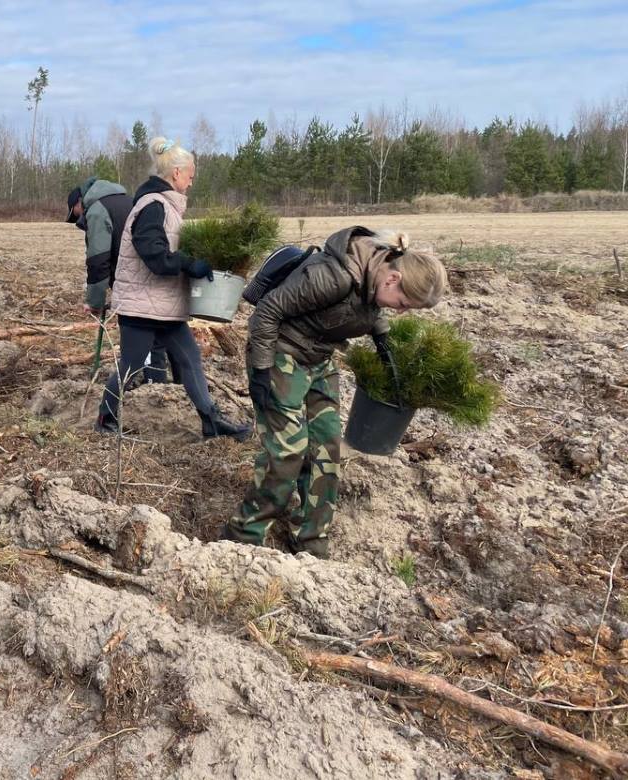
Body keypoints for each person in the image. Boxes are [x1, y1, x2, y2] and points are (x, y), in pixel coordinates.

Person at [220, 227, 448, 559]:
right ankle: (241, 539)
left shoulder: (376, 272)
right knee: (287, 452)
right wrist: (262, 368)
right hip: (281, 354)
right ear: (393, 279)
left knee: (326, 450)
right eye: (403, 304)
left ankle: (310, 541)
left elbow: (367, 306)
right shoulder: (332, 277)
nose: (401, 311)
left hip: (319, 358)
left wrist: (382, 338)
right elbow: (267, 312)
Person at [96, 137, 251, 440]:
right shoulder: (153, 206)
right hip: (141, 307)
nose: (191, 182)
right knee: (132, 365)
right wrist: (189, 264)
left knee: (190, 359)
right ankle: (105, 419)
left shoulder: (166, 205)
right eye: (190, 176)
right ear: (177, 173)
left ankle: (211, 421)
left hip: (164, 305)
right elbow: (154, 254)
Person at [67, 176, 176, 385]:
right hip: (154, 276)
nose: (78, 219)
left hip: (135, 284)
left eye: (76, 214)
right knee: (158, 337)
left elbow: (98, 260)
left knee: (140, 340)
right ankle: (162, 387)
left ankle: (150, 389)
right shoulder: (128, 200)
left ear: (79, 202)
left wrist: (95, 301)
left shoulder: (97, 210)